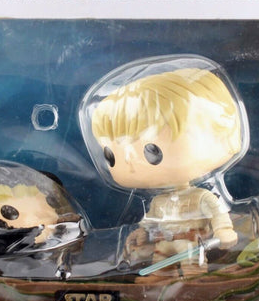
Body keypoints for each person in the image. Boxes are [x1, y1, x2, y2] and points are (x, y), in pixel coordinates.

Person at [89, 65, 244, 273]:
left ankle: (194, 281)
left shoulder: (201, 197)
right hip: (163, 243)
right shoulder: (158, 202)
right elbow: (150, 223)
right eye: (111, 155)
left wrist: (224, 230)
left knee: (192, 269)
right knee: (158, 269)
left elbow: (218, 214)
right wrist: (141, 233)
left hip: (190, 243)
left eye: (152, 151)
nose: (131, 162)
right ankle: (157, 282)